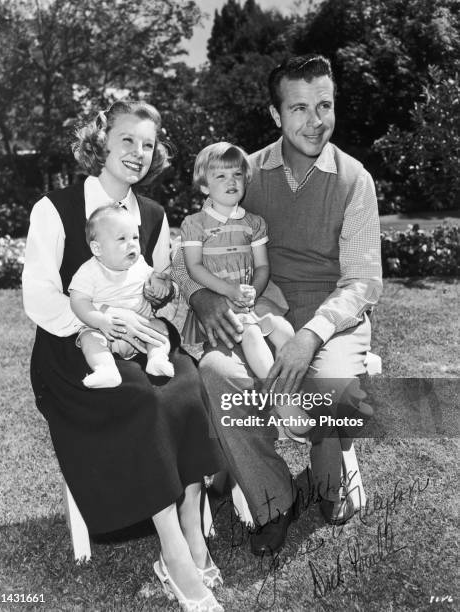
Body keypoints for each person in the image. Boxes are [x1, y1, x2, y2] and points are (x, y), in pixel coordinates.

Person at [173, 55, 382, 556]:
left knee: (329, 388)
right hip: (259, 307)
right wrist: (202, 295)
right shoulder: (245, 173)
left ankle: (335, 461)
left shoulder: (355, 181)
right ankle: (272, 497)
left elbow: (361, 282)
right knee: (219, 370)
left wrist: (310, 334)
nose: (315, 121)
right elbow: (189, 250)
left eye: (325, 105)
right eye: (299, 108)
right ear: (275, 115)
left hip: (331, 314)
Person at [23, 100, 225, 611]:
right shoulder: (55, 208)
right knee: (140, 396)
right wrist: (99, 322)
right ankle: (176, 553)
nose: (138, 153)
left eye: (148, 144)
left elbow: (156, 295)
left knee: (186, 378)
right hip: (74, 352)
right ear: (102, 141)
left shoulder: (153, 217)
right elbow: (39, 297)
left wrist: (158, 300)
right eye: (127, 140)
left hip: (140, 341)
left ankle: (191, 526)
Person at [180, 141, 312, 439]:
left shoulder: (254, 223)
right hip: (219, 301)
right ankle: (282, 403)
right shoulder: (194, 224)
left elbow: (263, 266)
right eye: (220, 176)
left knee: (282, 330)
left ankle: (294, 392)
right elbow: (194, 267)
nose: (231, 182)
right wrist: (227, 290)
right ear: (204, 186)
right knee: (251, 333)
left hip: (251, 298)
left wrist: (253, 290)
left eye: (237, 175)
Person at [69, 204, 175, 389]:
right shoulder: (89, 272)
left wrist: (157, 284)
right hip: (106, 332)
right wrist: (100, 320)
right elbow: (78, 301)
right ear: (97, 248)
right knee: (89, 338)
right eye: (122, 238)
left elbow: (154, 276)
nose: (132, 243)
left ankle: (157, 359)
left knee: (160, 327)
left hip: (142, 329)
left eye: (135, 237)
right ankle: (105, 369)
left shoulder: (139, 264)